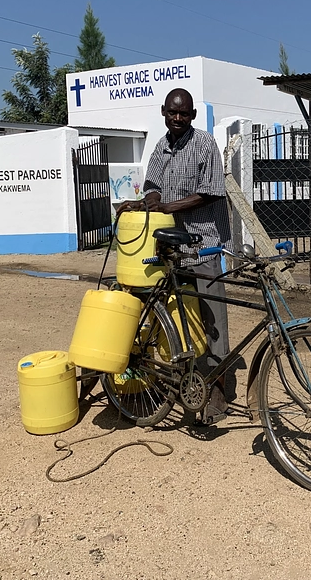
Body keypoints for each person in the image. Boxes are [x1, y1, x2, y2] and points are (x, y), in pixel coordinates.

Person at [116, 88, 233, 424]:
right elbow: (151, 182)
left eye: (184, 114)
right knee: (178, 319)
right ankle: (181, 381)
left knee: (213, 321)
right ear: (164, 112)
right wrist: (149, 200)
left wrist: (167, 206)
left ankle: (218, 391)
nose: (178, 119)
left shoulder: (204, 144)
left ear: (192, 115)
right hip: (170, 246)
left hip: (203, 245)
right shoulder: (160, 146)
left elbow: (210, 192)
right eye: (172, 113)